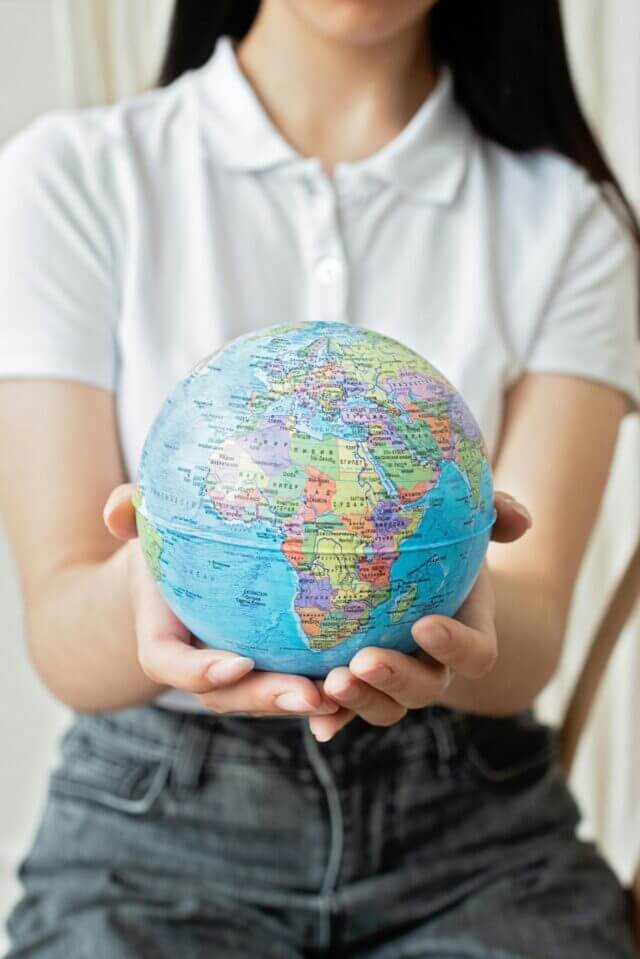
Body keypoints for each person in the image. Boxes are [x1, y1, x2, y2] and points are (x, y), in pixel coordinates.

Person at [0, 0, 639, 955]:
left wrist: (460, 604)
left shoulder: (570, 220)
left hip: (473, 838)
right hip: (152, 832)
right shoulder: (73, 178)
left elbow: (531, 631)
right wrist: (166, 575)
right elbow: (61, 632)